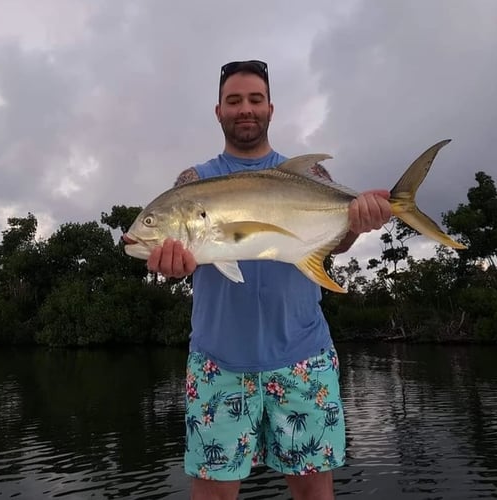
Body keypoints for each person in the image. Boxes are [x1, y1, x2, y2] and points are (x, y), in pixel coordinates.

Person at [132, 60, 391, 500]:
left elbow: (337, 244)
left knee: (314, 491)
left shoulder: (310, 175)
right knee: (213, 493)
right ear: (218, 111)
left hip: (303, 357)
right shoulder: (193, 182)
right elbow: (166, 252)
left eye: (254, 99)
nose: (245, 109)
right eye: (234, 101)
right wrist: (168, 267)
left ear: (271, 108)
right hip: (219, 362)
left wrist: (356, 222)